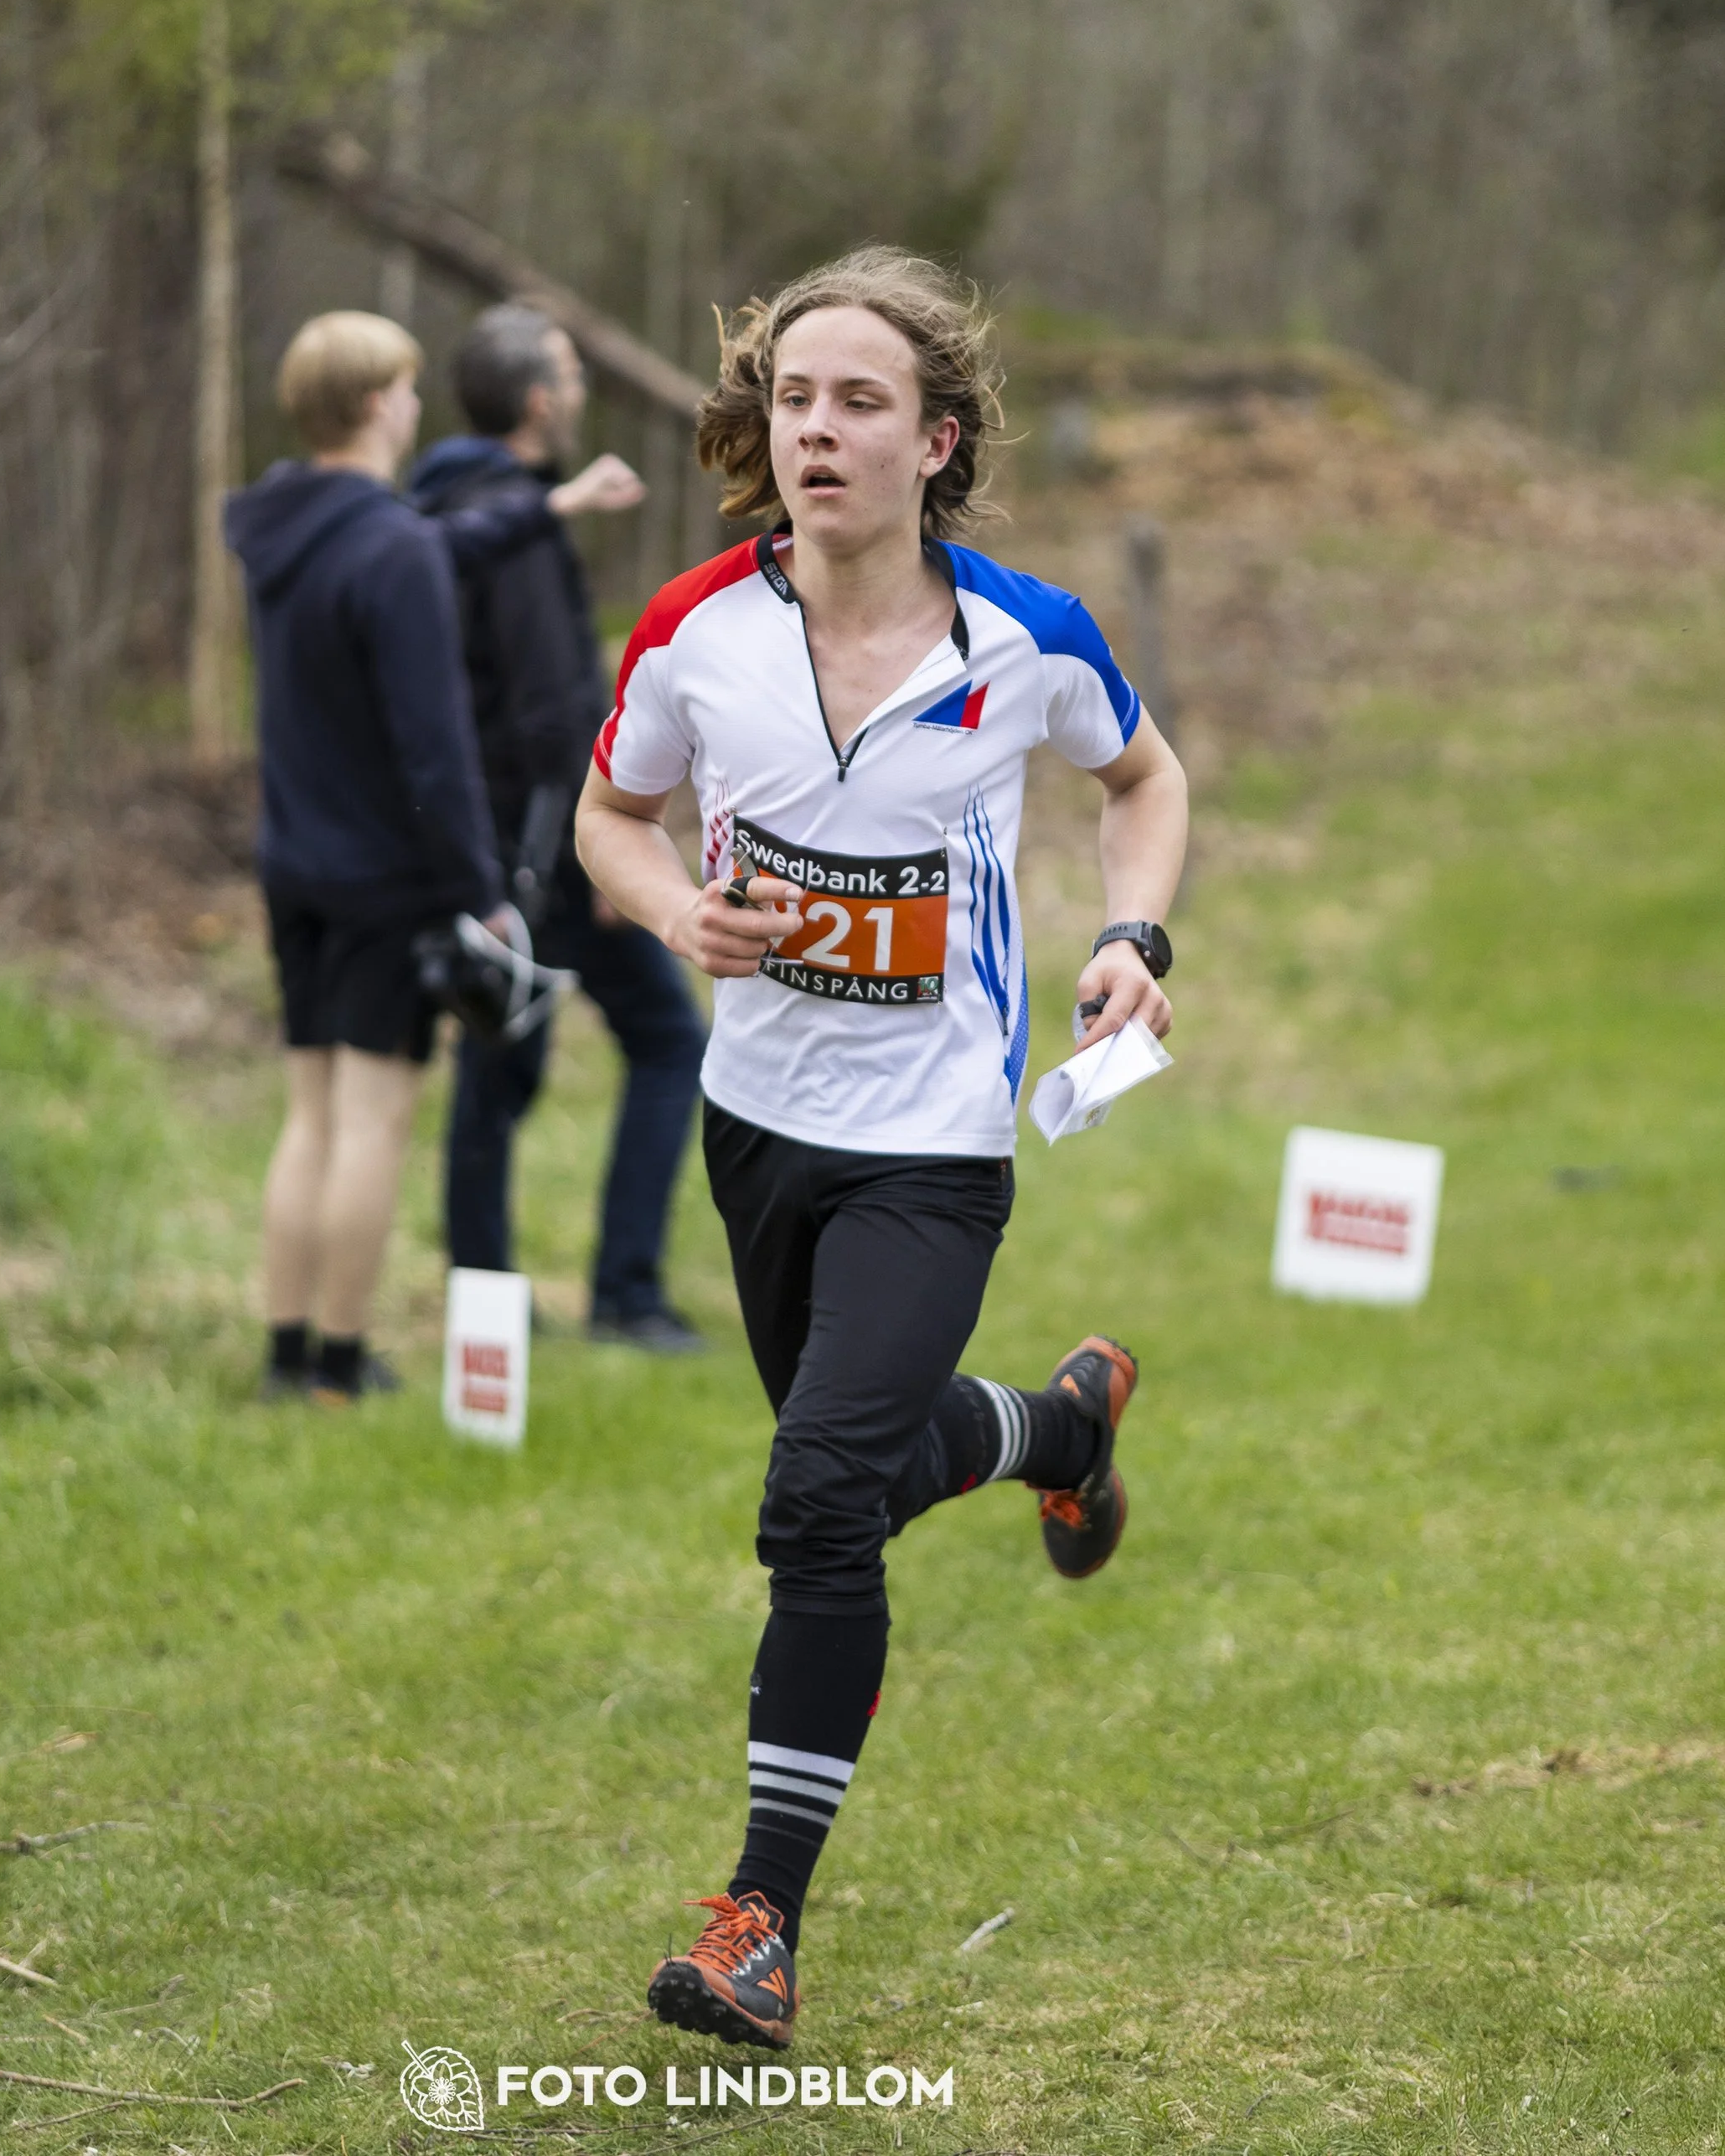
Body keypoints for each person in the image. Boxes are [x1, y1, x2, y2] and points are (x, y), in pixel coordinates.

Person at [576, 249, 1188, 2046]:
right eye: (791, 399)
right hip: (756, 1128)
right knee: (860, 1463)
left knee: (811, 1496)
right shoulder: (695, 628)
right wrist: (674, 905)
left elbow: (1139, 783)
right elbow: (605, 816)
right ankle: (1060, 1428)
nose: (817, 429)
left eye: (858, 402)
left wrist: (1128, 939)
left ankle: (758, 1916)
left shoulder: (1023, 641)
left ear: (934, 440)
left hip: (929, 1145)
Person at [225, 310, 641, 1406]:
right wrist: (482, 896)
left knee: (308, 1112)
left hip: (293, 866)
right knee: (370, 1120)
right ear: (374, 406)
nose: (417, 407)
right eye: (406, 390)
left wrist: (553, 503)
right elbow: (437, 748)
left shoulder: (288, 533)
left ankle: (284, 1355)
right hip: (383, 880)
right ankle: (342, 1359)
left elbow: (429, 548)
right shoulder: (390, 545)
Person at [406, 306, 711, 1351]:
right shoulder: (519, 525)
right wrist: (604, 857)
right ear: (538, 401)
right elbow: (550, 707)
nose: (579, 390)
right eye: (572, 375)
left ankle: (481, 1299)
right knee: (668, 1043)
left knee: (500, 1062)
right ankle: (624, 1295)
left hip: (488, 837)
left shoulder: (448, 501)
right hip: (544, 847)